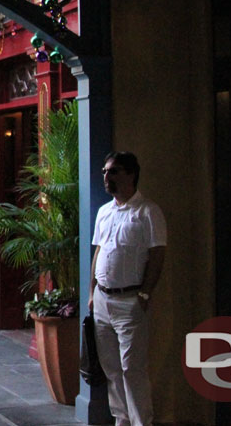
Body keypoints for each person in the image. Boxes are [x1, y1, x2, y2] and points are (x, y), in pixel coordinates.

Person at [88, 151, 166, 426]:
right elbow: (98, 252)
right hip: (102, 300)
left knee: (132, 368)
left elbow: (157, 255)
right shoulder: (104, 211)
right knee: (111, 367)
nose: (107, 177)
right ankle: (121, 419)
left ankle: (141, 421)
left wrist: (145, 293)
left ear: (131, 174)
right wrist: (91, 293)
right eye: (105, 172)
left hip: (131, 300)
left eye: (114, 171)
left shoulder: (148, 211)